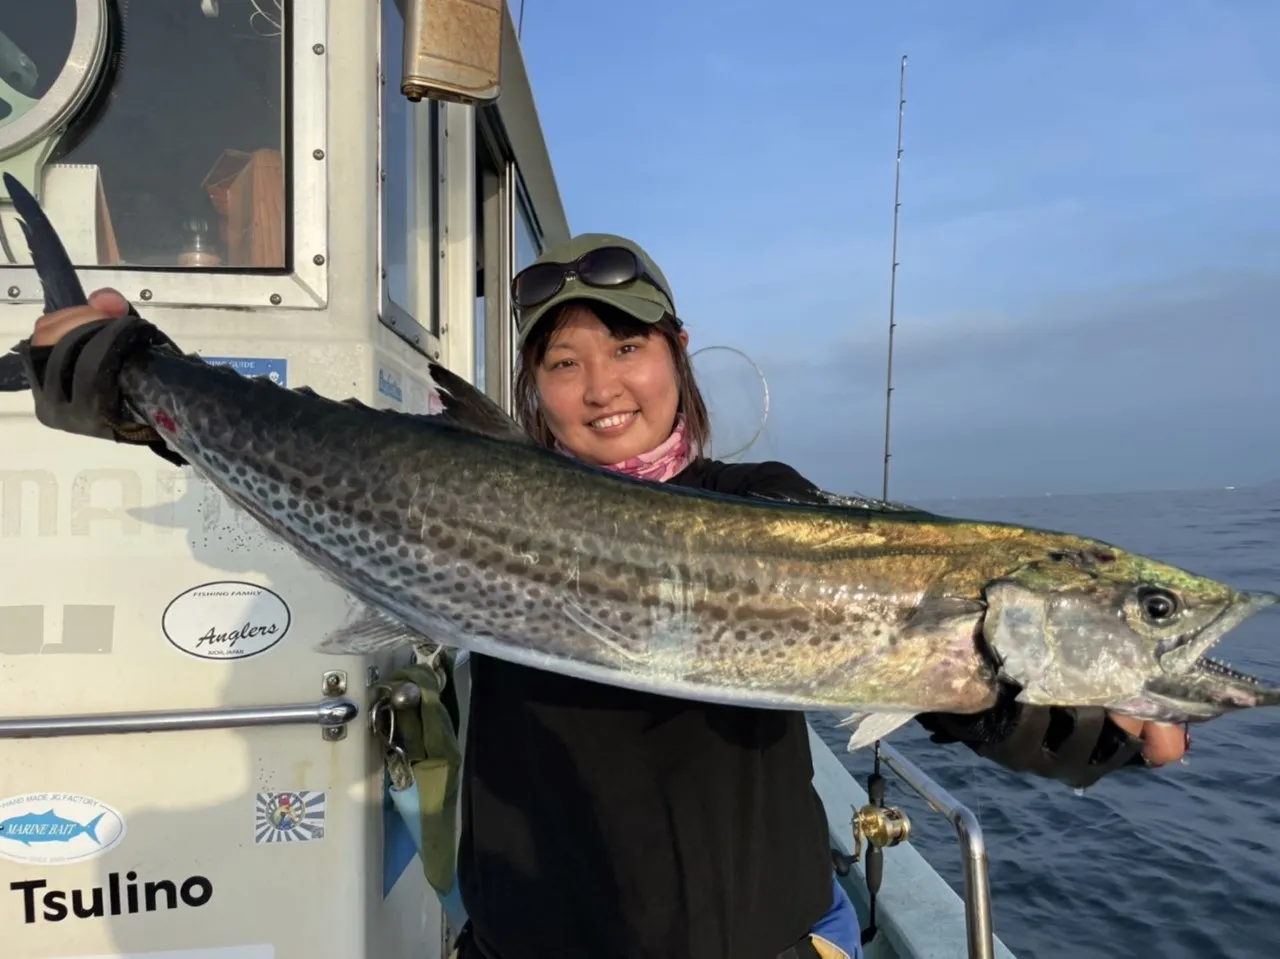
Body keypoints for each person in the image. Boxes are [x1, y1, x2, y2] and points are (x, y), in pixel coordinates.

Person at [21, 234, 1188, 959]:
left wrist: (1091, 730)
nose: (601, 383)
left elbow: (956, 681)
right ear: (530, 388)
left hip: (761, 938)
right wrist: (133, 384)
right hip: (533, 936)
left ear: (677, 352)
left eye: (625, 347)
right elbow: (332, 470)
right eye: (562, 360)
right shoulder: (474, 483)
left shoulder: (771, 503)